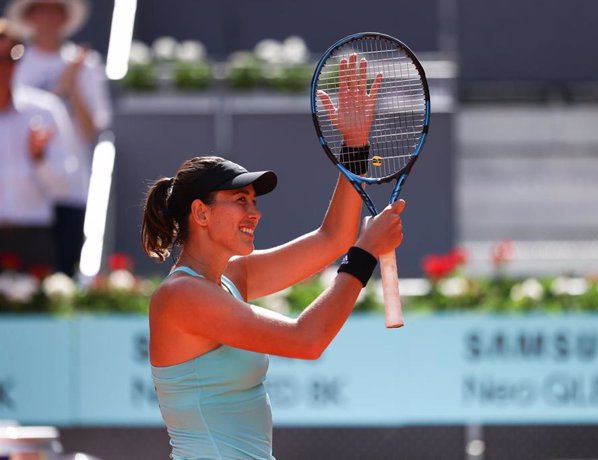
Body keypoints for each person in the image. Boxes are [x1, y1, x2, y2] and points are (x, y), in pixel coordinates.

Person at [141, 55, 403, 459]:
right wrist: (365, 255)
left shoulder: (233, 277)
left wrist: (354, 146)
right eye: (240, 200)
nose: (255, 212)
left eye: (254, 201)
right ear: (201, 213)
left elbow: (333, 238)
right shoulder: (180, 297)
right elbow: (306, 340)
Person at [6, 0, 112, 275]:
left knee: (60, 277)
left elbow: (89, 129)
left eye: (55, 10)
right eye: (40, 10)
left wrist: (72, 84)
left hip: (68, 186)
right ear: (30, 17)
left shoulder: (84, 63)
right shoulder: (16, 59)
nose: (48, 18)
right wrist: (63, 82)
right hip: (24, 192)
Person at [0, 17, 74, 269]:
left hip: (32, 240)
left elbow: (65, 186)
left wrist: (38, 158)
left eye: (10, 56)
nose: (3, 67)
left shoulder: (45, 110)